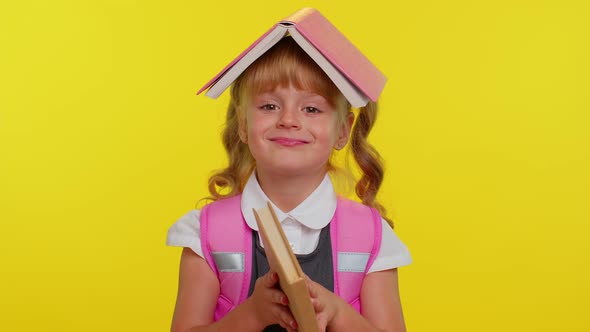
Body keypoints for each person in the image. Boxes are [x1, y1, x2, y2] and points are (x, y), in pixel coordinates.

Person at [167, 22, 412, 332]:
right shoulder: (205, 234)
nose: (288, 120)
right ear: (243, 124)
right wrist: (252, 315)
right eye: (269, 106)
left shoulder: (370, 237)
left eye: (311, 109)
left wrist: (337, 312)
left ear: (343, 130)